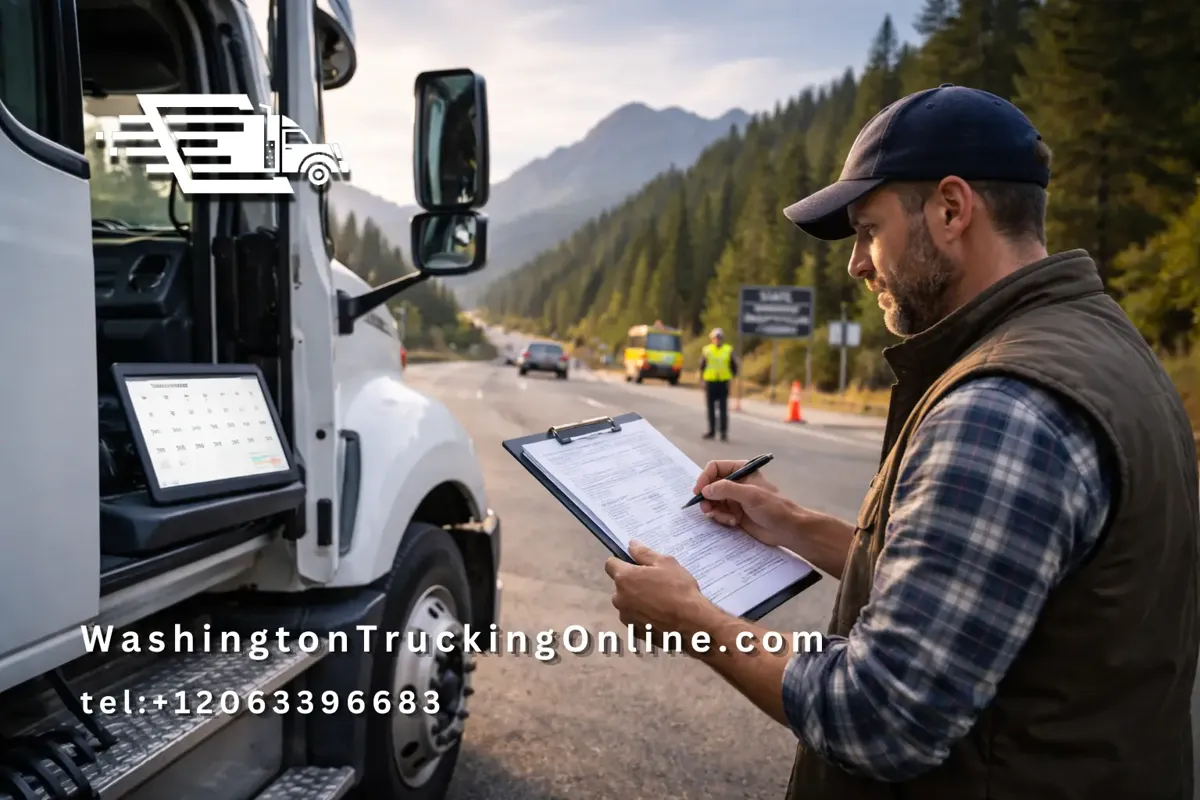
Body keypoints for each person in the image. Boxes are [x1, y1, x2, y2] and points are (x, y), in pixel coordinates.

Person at [603, 84, 1199, 799]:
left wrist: (692, 620)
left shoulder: (1004, 403)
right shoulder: (1099, 345)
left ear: (951, 210)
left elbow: (880, 714)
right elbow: (975, 583)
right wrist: (792, 526)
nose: (856, 264)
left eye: (867, 230)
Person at [699, 328, 737, 441]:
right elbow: (702, 365)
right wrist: (701, 380)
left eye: (719, 338)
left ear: (722, 339)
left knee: (723, 409)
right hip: (710, 382)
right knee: (710, 408)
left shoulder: (728, 350)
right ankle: (711, 431)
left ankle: (723, 432)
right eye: (715, 338)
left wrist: (731, 378)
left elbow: (734, 366)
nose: (717, 340)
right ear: (712, 339)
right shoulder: (707, 350)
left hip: (723, 382)